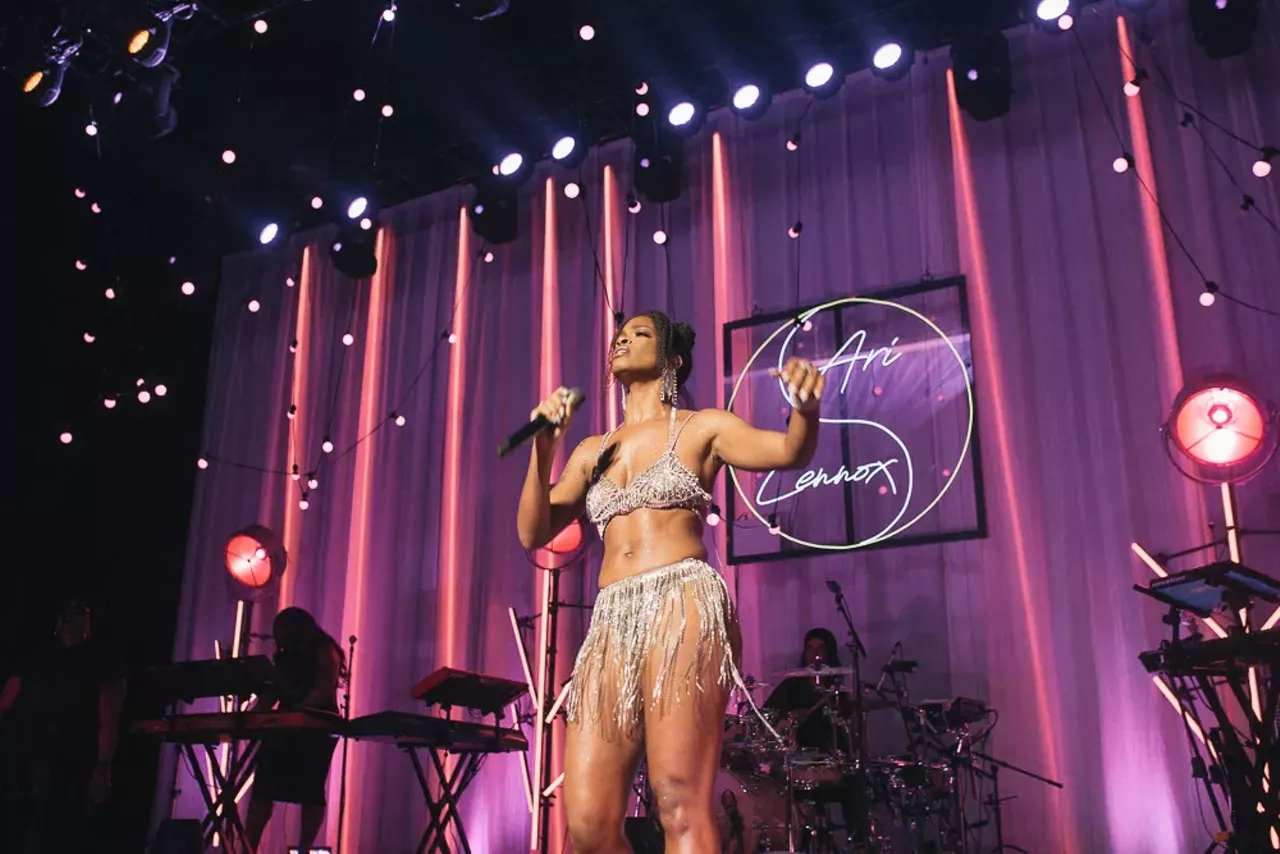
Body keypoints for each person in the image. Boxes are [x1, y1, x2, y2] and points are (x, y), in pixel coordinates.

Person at [517, 310, 825, 853]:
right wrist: (544, 448)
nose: (621, 339)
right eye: (619, 334)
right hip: (611, 618)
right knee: (587, 822)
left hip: (681, 602)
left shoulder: (702, 426)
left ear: (671, 360)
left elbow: (787, 450)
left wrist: (806, 410)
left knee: (678, 799)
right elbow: (533, 531)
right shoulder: (593, 451)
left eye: (639, 334)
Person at [0, 599, 127, 854]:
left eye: (79, 615)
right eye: (67, 616)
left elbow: (109, 716)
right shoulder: (38, 657)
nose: (70, 623)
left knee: (53, 832)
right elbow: (7, 702)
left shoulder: (101, 662)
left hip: (69, 767)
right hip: (28, 763)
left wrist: (103, 766)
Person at [244, 607, 344, 854]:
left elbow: (322, 689)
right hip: (287, 722)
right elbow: (272, 692)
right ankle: (248, 847)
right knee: (264, 786)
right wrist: (252, 715)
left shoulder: (324, 649)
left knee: (310, 788)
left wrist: (299, 710)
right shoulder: (285, 656)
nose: (279, 639)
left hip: (316, 725)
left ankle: (304, 850)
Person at [764, 627, 850, 753]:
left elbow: (847, 722)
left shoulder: (837, 689)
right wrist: (788, 718)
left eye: (821, 648)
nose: (815, 654)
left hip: (832, 752)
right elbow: (769, 713)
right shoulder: (792, 685)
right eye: (810, 648)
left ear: (829, 653)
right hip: (798, 751)